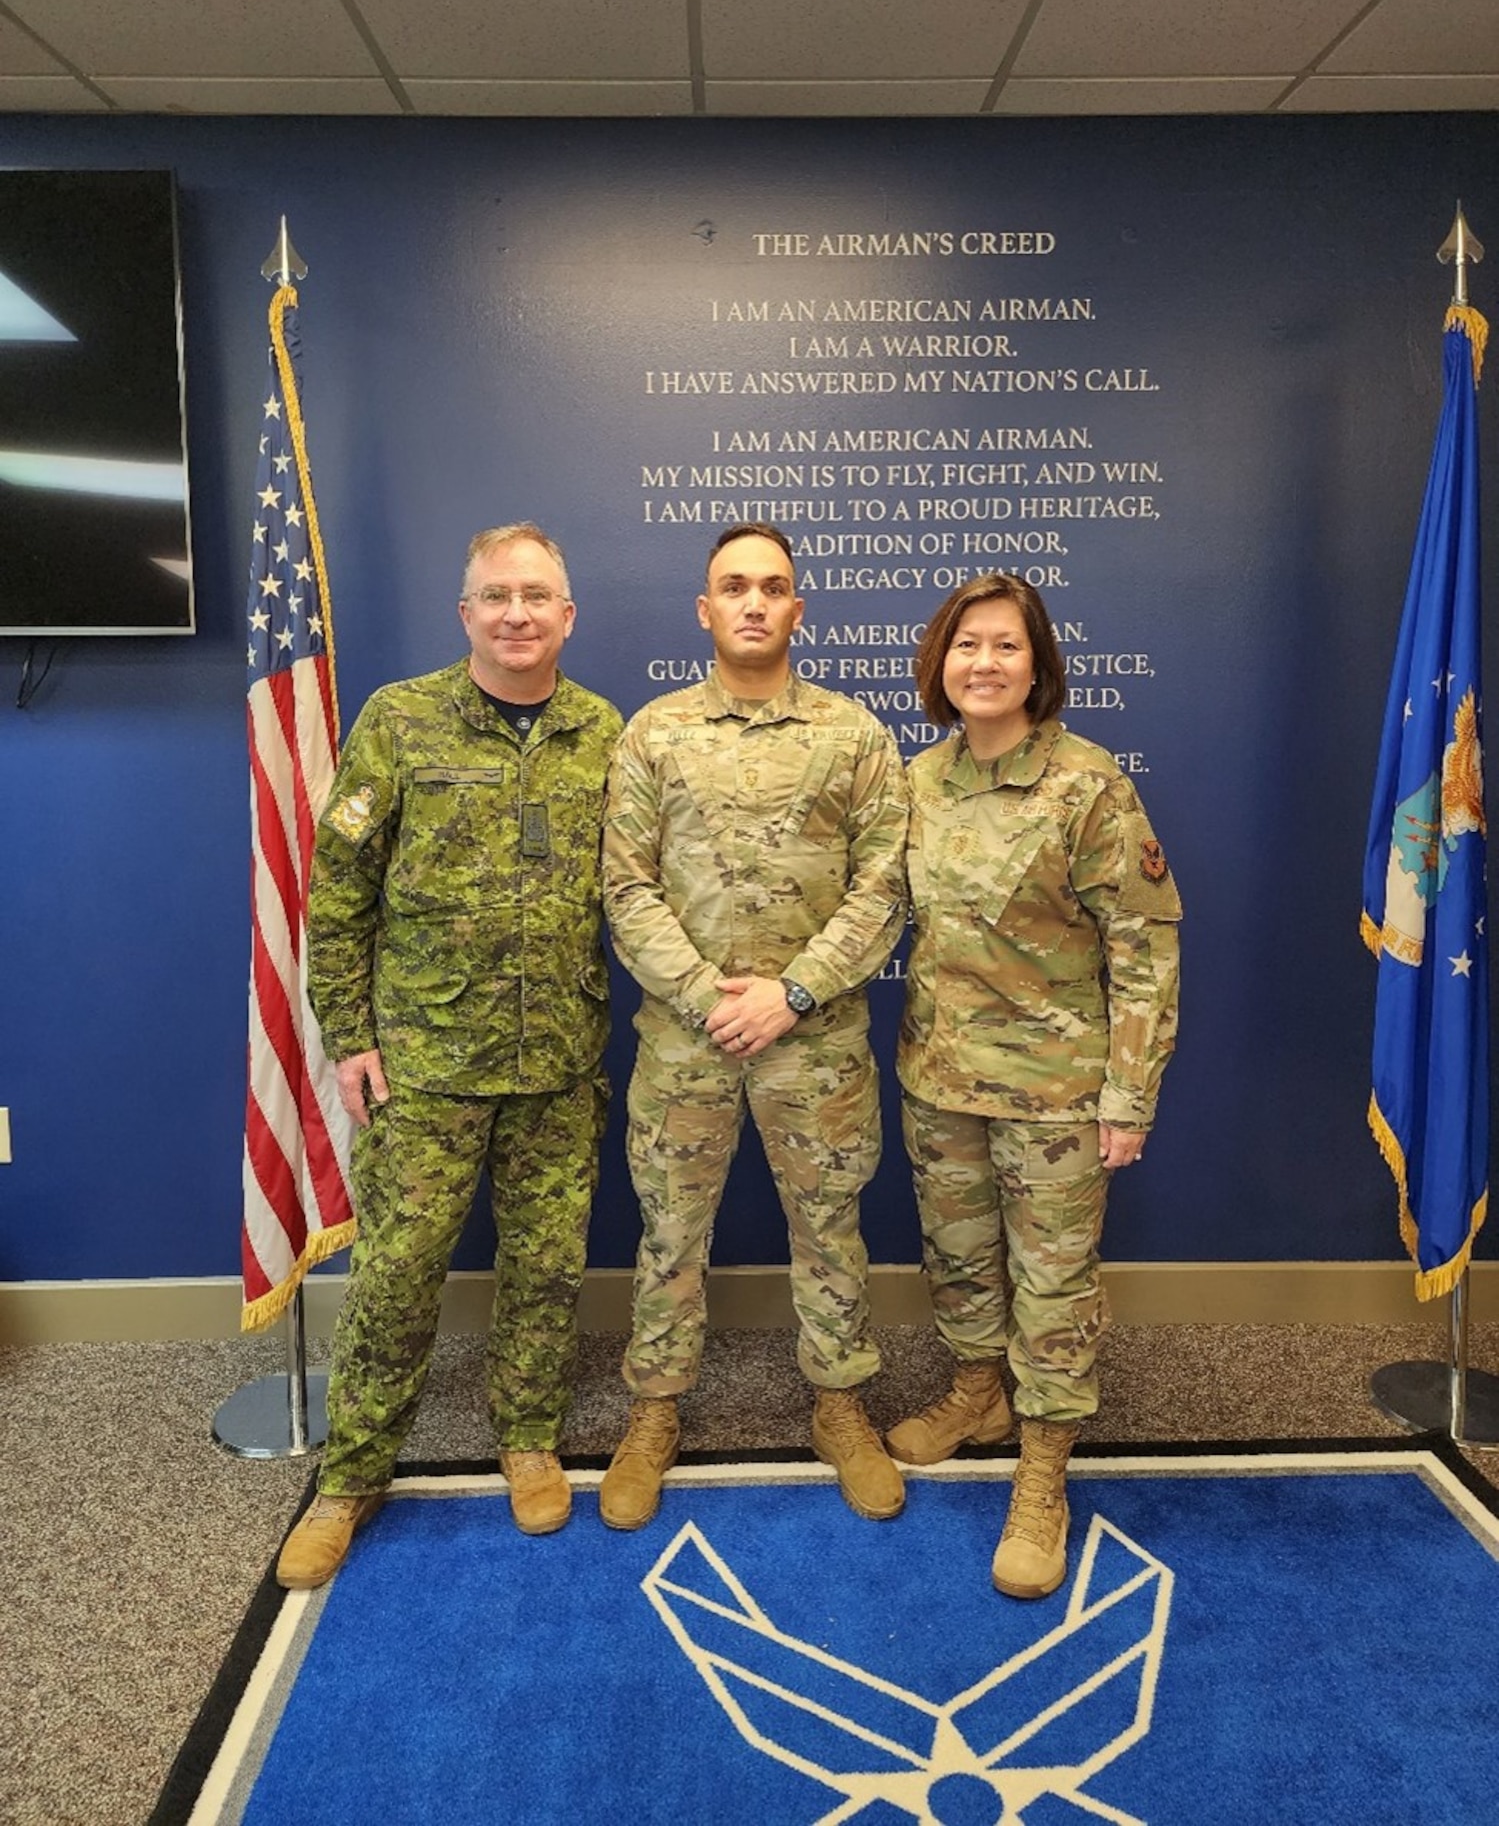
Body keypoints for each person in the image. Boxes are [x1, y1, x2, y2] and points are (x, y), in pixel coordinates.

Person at [275, 524, 622, 1588]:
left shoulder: (603, 731)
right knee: (394, 1275)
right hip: (423, 1063)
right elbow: (339, 891)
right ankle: (349, 1476)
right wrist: (349, 1034)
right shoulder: (400, 719)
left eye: (536, 595)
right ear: (462, 612)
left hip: (558, 1061)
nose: (515, 612)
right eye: (494, 595)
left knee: (547, 1268)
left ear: (568, 614)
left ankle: (527, 1435)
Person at [599, 523, 910, 1527]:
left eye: (770, 587)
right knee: (670, 1231)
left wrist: (793, 991)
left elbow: (883, 885)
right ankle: (654, 1408)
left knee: (828, 1229)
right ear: (703, 608)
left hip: (812, 1040)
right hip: (686, 1037)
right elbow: (626, 883)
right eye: (731, 585)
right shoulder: (651, 733)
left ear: (796, 609)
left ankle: (838, 1402)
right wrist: (703, 993)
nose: (750, 602)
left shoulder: (853, 735)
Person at [885, 572, 1180, 1600]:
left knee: (1051, 1291)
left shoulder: (1087, 786)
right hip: (939, 1078)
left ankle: (1042, 1474)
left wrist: (1126, 1093)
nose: (983, 663)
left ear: (1037, 664)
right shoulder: (918, 782)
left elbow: (1143, 947)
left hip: (1056, 1092)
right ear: (939, 662)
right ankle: (977, 1395)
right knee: (959, 1263)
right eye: (966, 644)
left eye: (1004, 645)